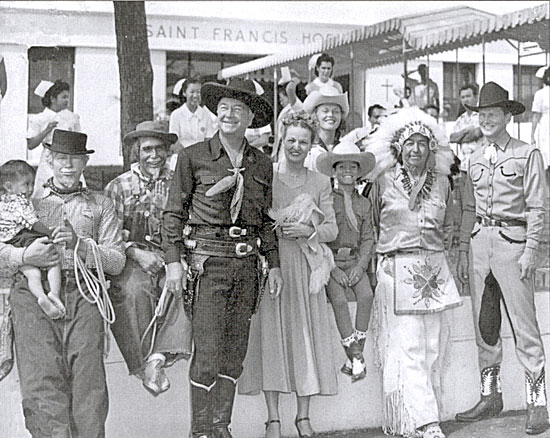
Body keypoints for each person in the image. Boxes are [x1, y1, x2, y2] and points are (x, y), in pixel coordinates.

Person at [161, 78, 283, 438]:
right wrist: (173, 260)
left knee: (234, 354)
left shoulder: (261, 164)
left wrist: (273, 264)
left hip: (245, 267)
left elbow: (265, 219)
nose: (229, 115)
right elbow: (172, 214)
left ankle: (221, 428)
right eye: (225, 108)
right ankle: (200, 432)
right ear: (217, 113)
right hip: (207, 266)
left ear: (250, 119)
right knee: (208, 353)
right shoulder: (193, 155)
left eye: (239, 110)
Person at [4, 129, 125, 437]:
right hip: (32, 295)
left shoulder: (101, 205)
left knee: (88, 382)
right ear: (50, 160)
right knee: (40, 379)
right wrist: (23, 254)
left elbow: (116, 260)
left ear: (85, 162)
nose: (68, 167)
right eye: (61, 159)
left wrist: (81, 245)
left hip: (85, 292)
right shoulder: (26, 201)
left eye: (75, 160)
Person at [455, 82, 549, 435]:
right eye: (482, 114)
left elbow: (538, 207)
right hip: (481, 245)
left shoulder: (528, 154)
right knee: (485, 326)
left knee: (525, 328)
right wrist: (465, 250)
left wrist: (531, 250)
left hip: (513, 244)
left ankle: (537, 403)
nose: (487, 119)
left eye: (493, 113)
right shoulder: (474, 158)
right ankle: (490, 396)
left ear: (507, 115)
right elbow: (468, 207)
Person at [239, 110, 338, 438]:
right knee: (272, 339)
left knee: (304, 339)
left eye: (304, 142)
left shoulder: (320, 181)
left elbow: (332, 229)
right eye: (291, 140)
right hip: (273, 266)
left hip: (307, 269)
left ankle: (303, 417)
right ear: (281, 138)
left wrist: (308, 229)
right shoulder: (266, 175)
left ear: (311, 146)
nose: (296, 146)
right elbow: (254, 219)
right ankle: (273, 419)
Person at [366, 107, 461, 438]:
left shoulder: (444, 184)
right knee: (409, 346)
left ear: (431, 148)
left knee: (432, 345)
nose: (416, 150)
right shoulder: (382, 182)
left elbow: (450, 226)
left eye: (423, 143)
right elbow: (370, 225)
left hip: (433, 269)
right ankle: (426, 421)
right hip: (395, 267)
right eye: (410, 143)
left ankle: (412, 417)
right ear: (398, 148)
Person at [104, 120, 192, 396]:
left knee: (183, 286)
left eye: (159, 149)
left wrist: (175, 257)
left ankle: (160, 355)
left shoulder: (180, 182)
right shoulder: (119, 186)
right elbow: (109, 233)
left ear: (167, 151)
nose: (153, 156)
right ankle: (144, 362)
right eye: (147, 149)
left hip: (172, 254)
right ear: (136, 152)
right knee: (133, 290)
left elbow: (189, 223)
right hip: (133, 254)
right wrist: (135, 252)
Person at [316, 139, 376, 383]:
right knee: (339, 300)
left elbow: (369, 237)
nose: (347, 172)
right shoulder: (327, 199)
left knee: (367, 296)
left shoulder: (364, 203)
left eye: (352, 167)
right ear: (334, 171)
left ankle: (354, 357)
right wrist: (331, 269)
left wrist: (361, 266)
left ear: (359, 172)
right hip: (330, 263)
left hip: (354, 261)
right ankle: (355, 356)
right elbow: (319, 237)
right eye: (342, 167)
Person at [0, 160, 64, 319]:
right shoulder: (20, 201)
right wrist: (50, 233)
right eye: (26, 184)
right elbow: (33, 223)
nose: (30, 189)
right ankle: (54, 294)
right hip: (23, 237)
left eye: (32, 184)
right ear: (9, 187)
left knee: (32, 273)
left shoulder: (3, 202)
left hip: (11, 244)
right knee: (53, 260)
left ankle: (41, 297)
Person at [27, 80, 82, 198]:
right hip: (49, 160)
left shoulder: (72, 117)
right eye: (64, 97)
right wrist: (47, 130)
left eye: (68, 97)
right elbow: (31, 144)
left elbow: (79, 141)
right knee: (46, 192)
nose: (67, 100)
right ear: (53, 99)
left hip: (69, 158)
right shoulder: (40, 118)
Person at [303, 85, 349, 172]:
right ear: (316, 115)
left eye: (336, 111)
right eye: (325, 111)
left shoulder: (344, 148)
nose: (330, 115)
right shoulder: (308, 149)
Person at [169, 76, 217, 151]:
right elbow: (174, 141)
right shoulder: (176, 115)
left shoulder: (206, 114)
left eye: (198, 92)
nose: (195, 95)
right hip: (182, 156)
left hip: (202, 156)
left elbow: (209, 139)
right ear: (184, 93)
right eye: (192, 92)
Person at [450, 84, 484, 174]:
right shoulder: (460, 119)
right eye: (463, 97)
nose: (466, 100)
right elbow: (452, 138)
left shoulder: (482, 116)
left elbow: (476, 134)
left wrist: (460, 137)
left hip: (480, 166)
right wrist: (466, 131)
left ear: (476, 98)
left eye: (468, 96)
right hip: (464, 167)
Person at [531, 67, 549, 172]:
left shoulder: (540, 93)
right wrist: (532, 135)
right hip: (546, 129)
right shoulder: (540, 94)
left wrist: (532, 135)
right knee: (546, 158)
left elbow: (536, 116)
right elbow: (536, 115)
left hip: (546, 128)